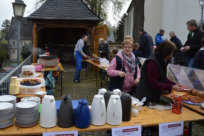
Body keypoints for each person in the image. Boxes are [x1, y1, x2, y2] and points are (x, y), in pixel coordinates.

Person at [135, 40, 184, 105]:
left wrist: (174, 84)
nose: (171, 56)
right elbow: (153, 83)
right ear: (165, 52)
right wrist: (171, 87)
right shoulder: (152, 62)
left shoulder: (162, 60)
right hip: (145, 96)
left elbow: (163, 78)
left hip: (153, 96)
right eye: (171, 53)